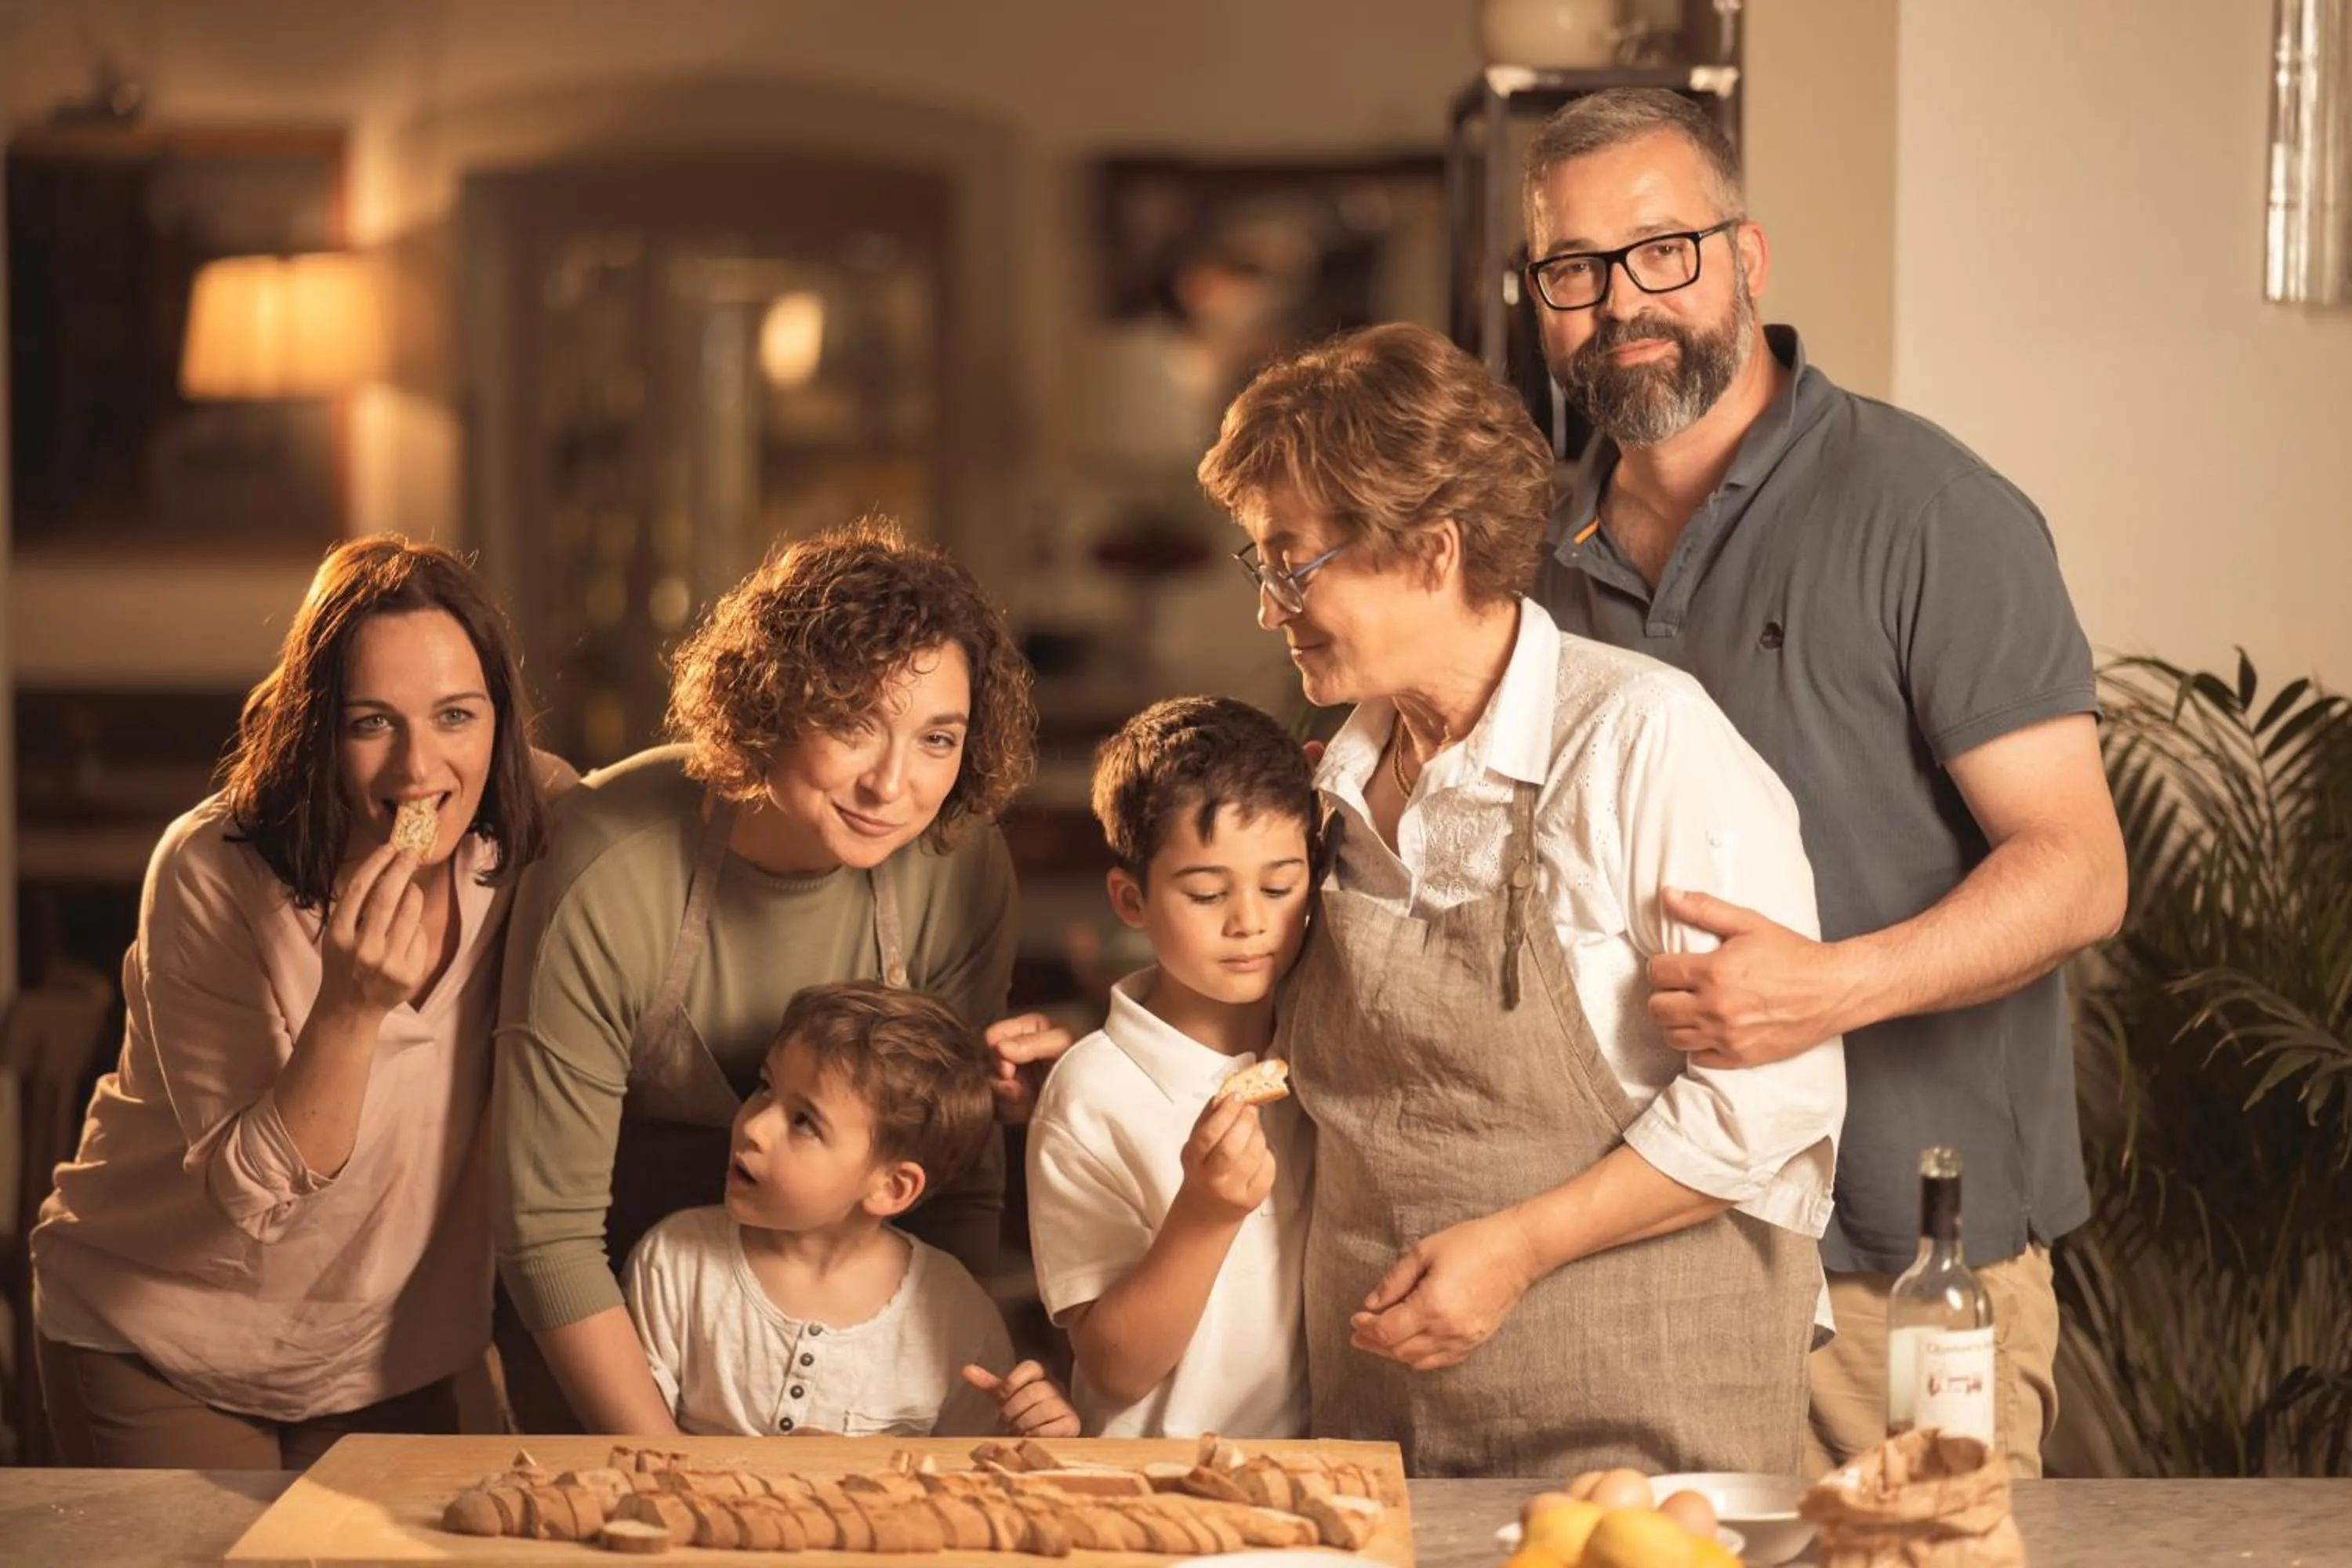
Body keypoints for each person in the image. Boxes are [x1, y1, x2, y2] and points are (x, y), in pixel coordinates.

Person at [1519, 89, 2127, 1478]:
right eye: (1573, 269)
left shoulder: (1929, 512)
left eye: (1663, 248)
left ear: (1748, 257)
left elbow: (2081, 866)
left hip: (1891, 1274)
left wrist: (1829, 987)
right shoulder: (1524, 551)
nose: (1621, 301)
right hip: (1623, 1270)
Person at [1196, 320, 1846, 1478]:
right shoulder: (1330, 783)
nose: (1269, 606)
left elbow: (1775, 1104)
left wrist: (1523, 1247)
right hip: (1380, 1444)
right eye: (1262, 564)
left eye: (1291, 562)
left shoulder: (1642, 743)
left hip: (1641, 1452)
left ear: (1431, 552)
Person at [492, 519, 1037, 1436]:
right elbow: (545, 1231)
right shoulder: (605, 859)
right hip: (599, 1320)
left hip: (851, 1320)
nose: (893, 783)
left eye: (938, 737)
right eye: (855, 723)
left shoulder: (960, 865)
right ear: (770, 702)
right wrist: (680, 1477)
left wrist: (920, 1404)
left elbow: (956, 1176)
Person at [31, 536, 558, 1468]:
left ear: (500, 722)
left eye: (455, 715)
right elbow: (250, 1193)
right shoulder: (209, 871)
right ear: (317, 726)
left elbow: (665, 815)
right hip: (159, 1333)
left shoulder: (525, 833)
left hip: (392, 1355)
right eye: (371, 722)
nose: (417, 767)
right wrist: (351, 1006)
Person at [1025, 695, 1315, 1439]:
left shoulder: (1327, 1051)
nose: (1249, 920)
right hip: (1156, 1488)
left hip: (1313, 1478)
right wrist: (1206, 1213)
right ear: (1132, 899)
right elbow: (1114, 1365)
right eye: (1208, 893)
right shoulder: (1094, 1093)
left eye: (1279, 887)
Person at [623, 983, 1078, 1439]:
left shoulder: (956, 1312)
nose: (754, 1125)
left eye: (804, 1121)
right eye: (765, 1087)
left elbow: (973, 1478)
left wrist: (1036, 1423)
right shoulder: (674, 1263)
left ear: (892, 1188)